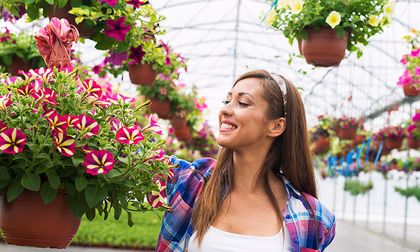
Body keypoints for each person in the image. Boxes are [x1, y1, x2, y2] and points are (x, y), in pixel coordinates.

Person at [156, 70, 336, 252]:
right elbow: (132, 157)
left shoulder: (310, 216)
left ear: (276, 126)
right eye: (227, 101)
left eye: (243, 103)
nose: (225, 110)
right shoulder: (193, 183)